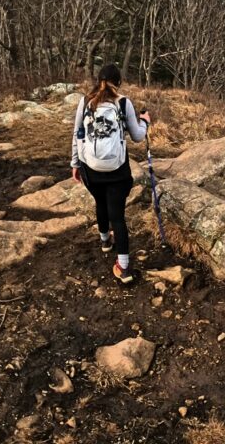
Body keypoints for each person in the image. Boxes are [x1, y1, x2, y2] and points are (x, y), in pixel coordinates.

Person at [70, 64, 151, 284]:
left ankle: (105, 241)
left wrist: (75, 163)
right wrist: (145, 122)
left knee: (99, 202)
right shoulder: (123, 102)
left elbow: (78, 132)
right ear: (119, 82)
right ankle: (124, 268)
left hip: (91, 168)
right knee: (118, 216)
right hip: (117, 170)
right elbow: (136, 136)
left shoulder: (85, 101)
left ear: (98, 80)